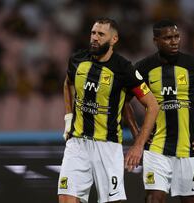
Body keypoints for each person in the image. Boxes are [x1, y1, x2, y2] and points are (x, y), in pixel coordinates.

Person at [58, 18, 159, 203]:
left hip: (107, 145)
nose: (95, 38)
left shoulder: (124, 69)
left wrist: (138, 145)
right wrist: (68, 118)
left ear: (114, 39)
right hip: (77, 144)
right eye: (93, 33)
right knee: (65, 198)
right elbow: (68, 83)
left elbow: (152, 105)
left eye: (101, 34)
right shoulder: (77, 60)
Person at [133, 20, 194, 203]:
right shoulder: (143, 68)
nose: (174, 41)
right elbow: (124, 102)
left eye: (176, 36)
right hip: (156, 147)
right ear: (155, 40)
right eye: (167, 38)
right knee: (154, 198)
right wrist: (137, 133)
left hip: (188, 148)